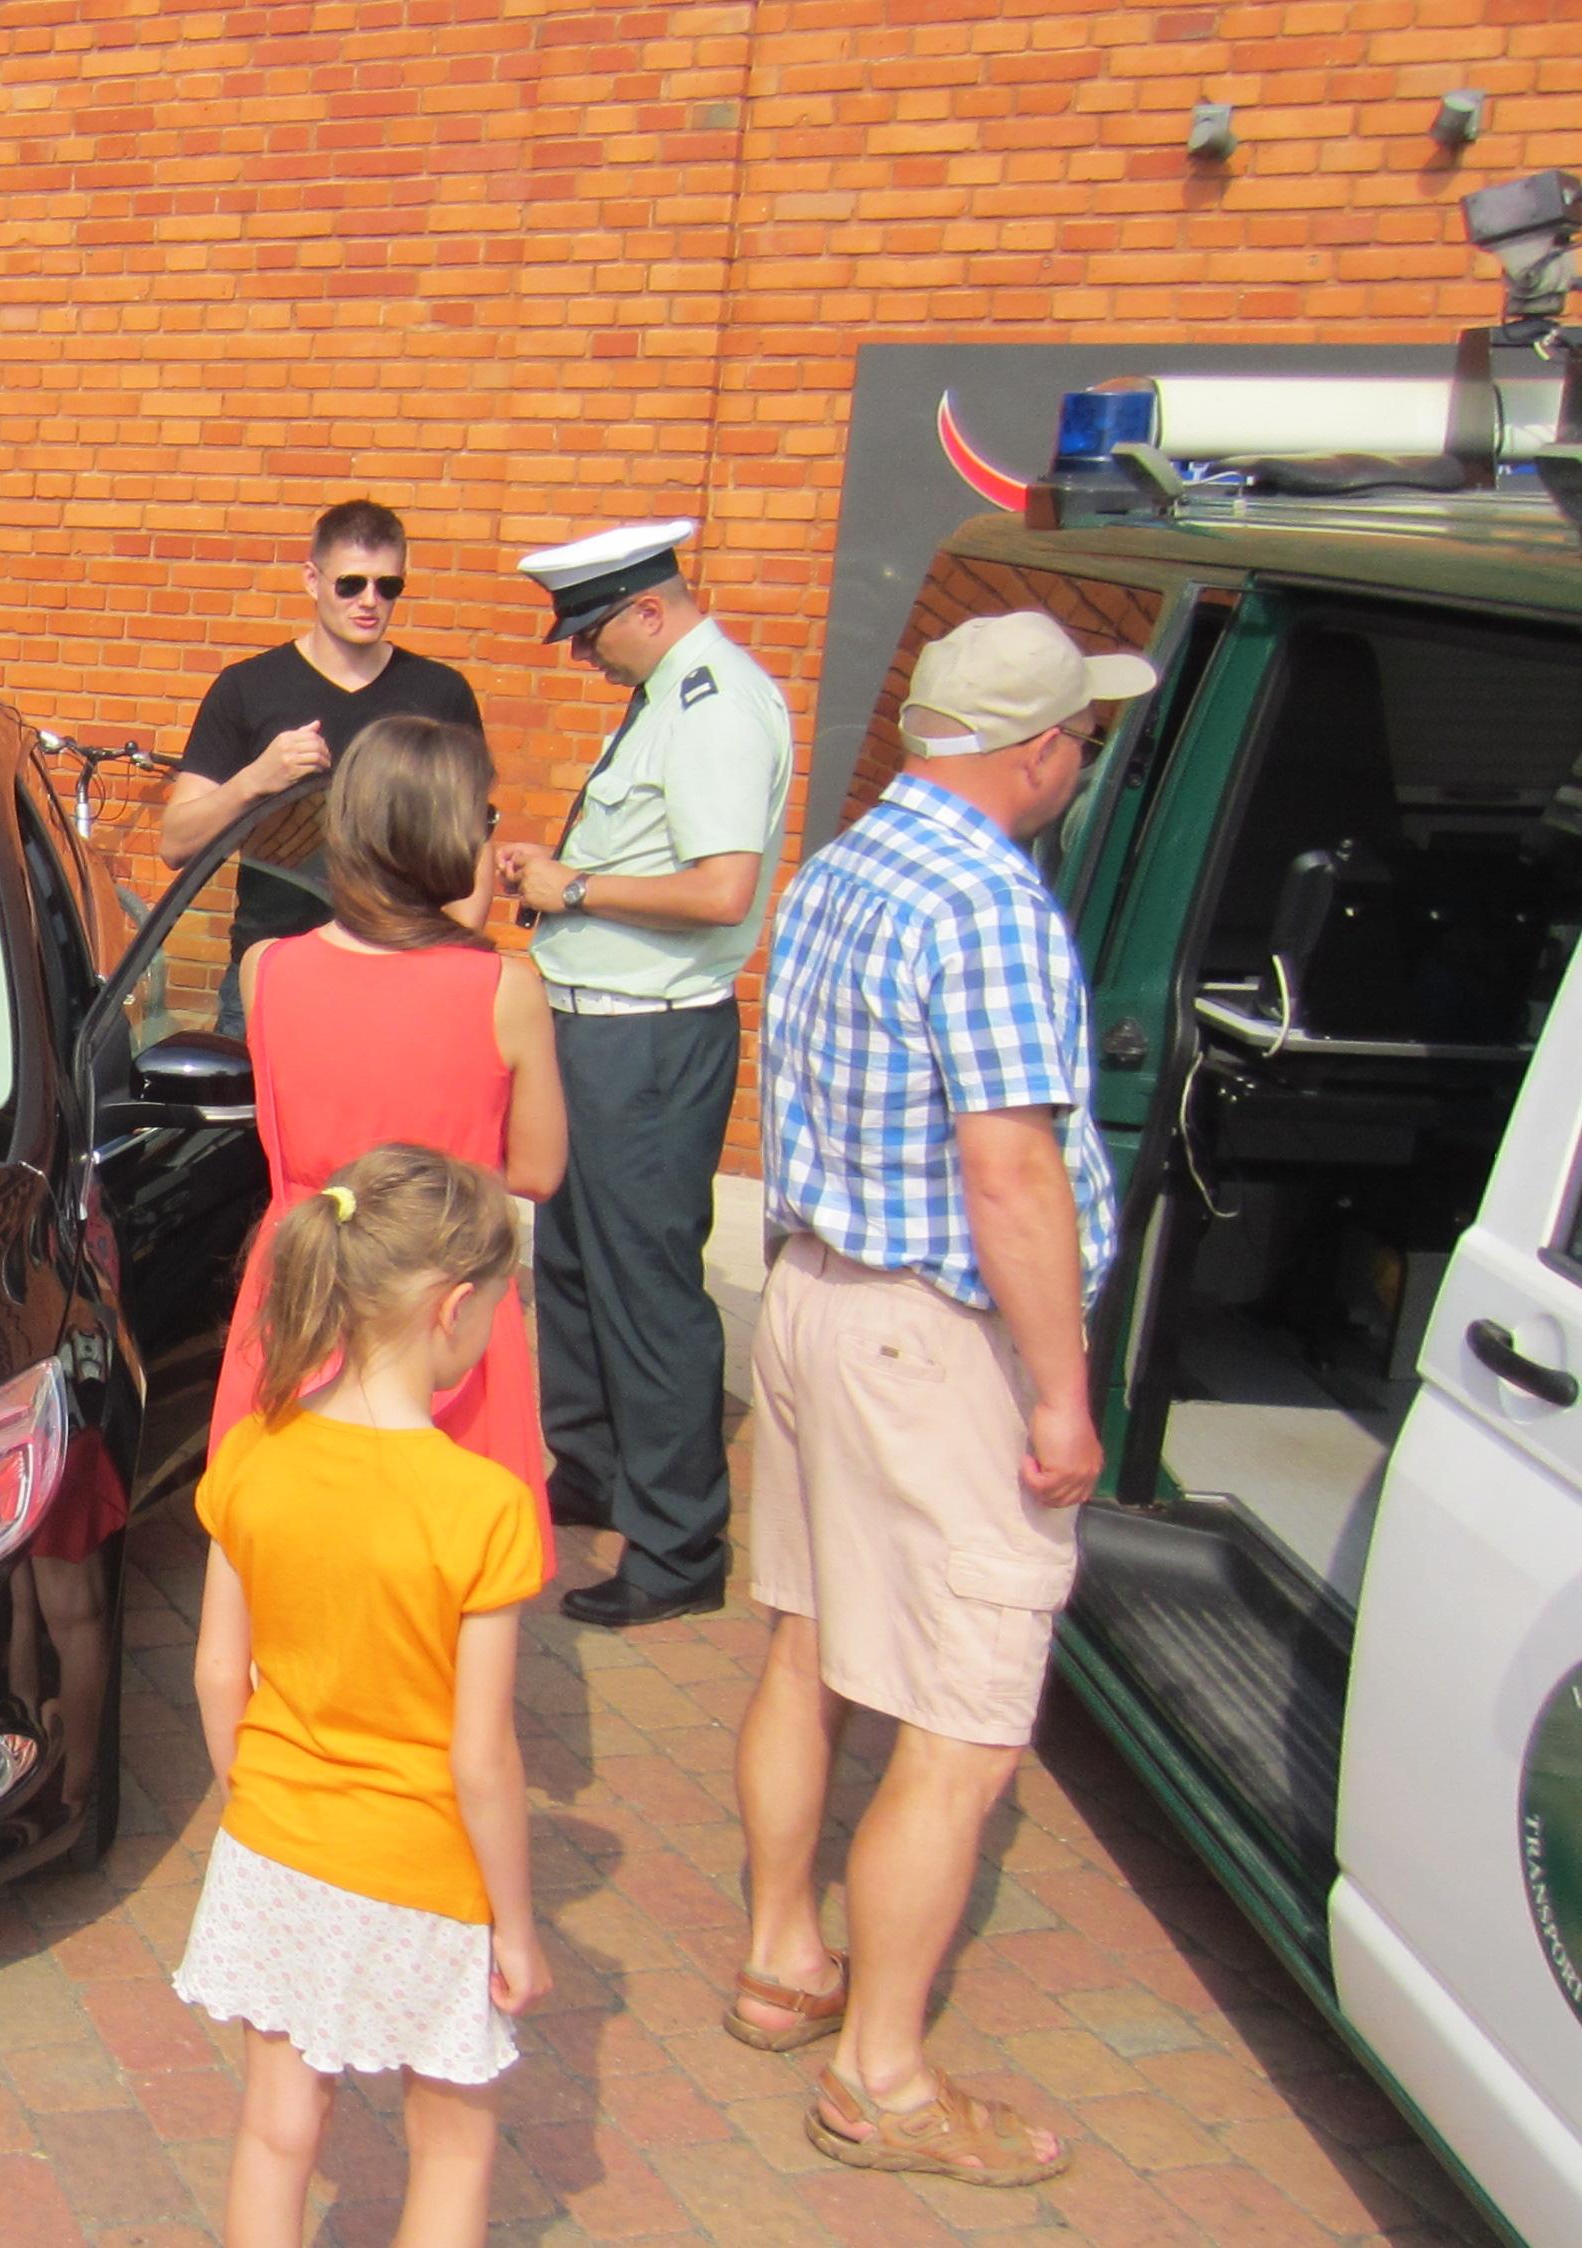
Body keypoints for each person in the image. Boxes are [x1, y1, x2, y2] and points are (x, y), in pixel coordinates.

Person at [724, 613, 1148, 2189]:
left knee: (810, 1644)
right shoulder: (991, 903)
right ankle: (883, 2078)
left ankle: (784, 1961)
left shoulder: (845, 866)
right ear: (1039, 750)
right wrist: (1063, 1395)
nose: (1083, 762)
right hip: (930, 1339)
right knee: (965, 1729)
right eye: (1083, 738)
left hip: (817, 1296)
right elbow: (1011, 1170)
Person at [179, 1146, 549, 2248]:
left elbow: (216, 1672)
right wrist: (517, 1925)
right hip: (423, 1866)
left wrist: (257, 1804)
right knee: (453, 2142)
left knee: (277, 2129)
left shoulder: (254, 1450)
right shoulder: (483, 1506)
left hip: (275, 1844)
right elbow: (481, 1757)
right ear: (453, 1309)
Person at [491, 519, 795, 1630]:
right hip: (595, 1027)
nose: (582, 654)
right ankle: (595, 1470)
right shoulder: (670, 694)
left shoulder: (715, 707)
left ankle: (675, 1545)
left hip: (648, 1040)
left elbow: (721, 891)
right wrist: (564, 875)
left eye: (591, 633)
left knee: (646, 1292)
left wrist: (572, 889)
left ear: (649, 610)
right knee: (572, 1265)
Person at [203, 716, 564, 1565]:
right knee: (447, 1563)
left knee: (285, 1551)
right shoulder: (504, 990)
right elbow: (539, 1171)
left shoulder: (267, 969)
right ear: (451, 835)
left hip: (306, 1276)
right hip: (441, 1294)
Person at [163, 500, 485, 1018]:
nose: (369, 601)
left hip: (401, 974)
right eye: (350, 584)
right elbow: (176, 842)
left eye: (388, 586)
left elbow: (473, 842)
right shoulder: (249, 687)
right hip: (273, 972)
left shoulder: (439, 693)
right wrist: (256, 780)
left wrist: (455, 958)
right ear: (312, 580)